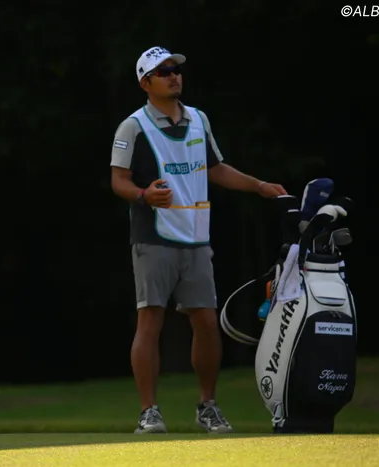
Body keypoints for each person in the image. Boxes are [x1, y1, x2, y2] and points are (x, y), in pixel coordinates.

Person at [109, 46, 287, 434]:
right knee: (150, 320)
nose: (174, 75)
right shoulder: (132, 127)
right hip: (154, 236)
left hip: (195, 237)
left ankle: (208, 405)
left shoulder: (198, 119)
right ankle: (149, 412)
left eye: (176, 69)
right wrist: (144, 195)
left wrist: (258, 186)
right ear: (145, 83)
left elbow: (215, 168)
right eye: (163, 71)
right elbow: (118, 181)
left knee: (206, 321)